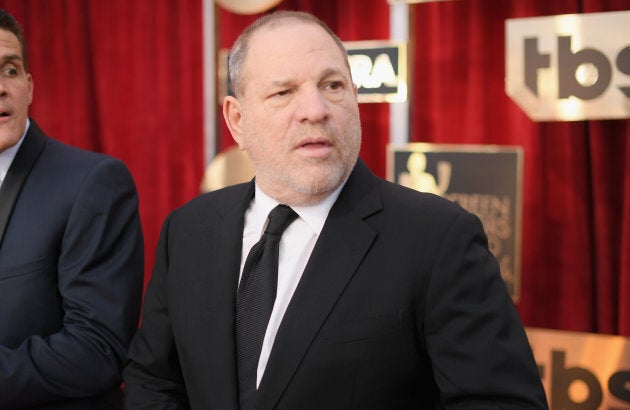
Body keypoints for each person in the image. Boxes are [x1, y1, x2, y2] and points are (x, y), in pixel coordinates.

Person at [123, 10, 548, 409]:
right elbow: (154, 380)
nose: (316, 110)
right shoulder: (188, 230)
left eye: (333, 86)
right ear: (237, 121)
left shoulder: (439, 239)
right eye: (283, 92)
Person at [0, 9, 144, 409]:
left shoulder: (94, 183)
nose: (1, 87)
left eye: (10, 70)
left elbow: (97, 350)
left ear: (29, 86)